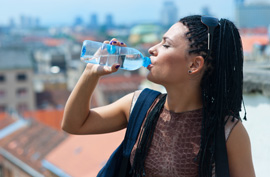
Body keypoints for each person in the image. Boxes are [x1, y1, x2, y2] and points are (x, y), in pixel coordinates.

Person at [61, 15, 255, 177]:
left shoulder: (228, 131)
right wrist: (90, 73)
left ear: (194, 65)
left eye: (166, 45)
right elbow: (74, 124)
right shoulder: (139, 104)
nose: (152, 49)